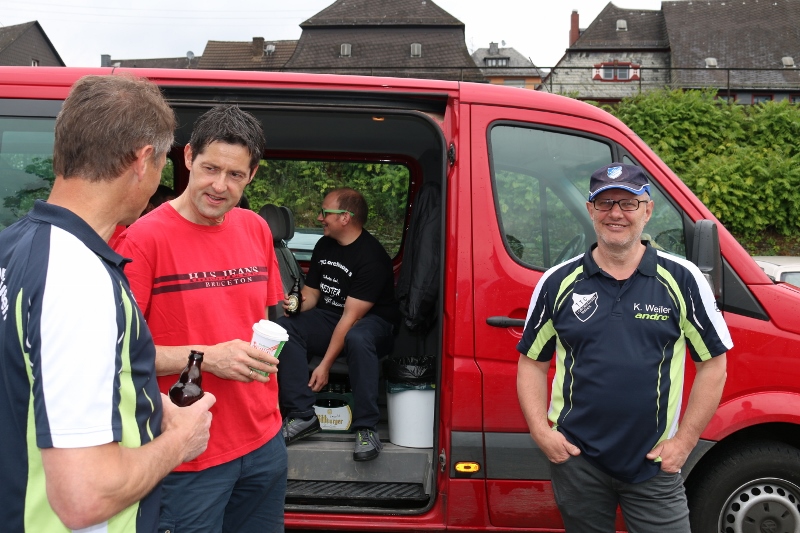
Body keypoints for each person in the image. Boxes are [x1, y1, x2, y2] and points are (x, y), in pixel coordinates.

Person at [0, 75, 214, 532]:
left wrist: (146, 403)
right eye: (162, 165)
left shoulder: (14, 244)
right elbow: (85, 495)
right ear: (142, 161)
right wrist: (180, 440)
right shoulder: (77, 278)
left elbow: (29, 382)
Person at [516, 163, 732, 532]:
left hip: (655, 463)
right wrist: (541, 432)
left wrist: (684, 442)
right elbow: (532, 363)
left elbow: (714, 365)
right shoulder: (557, 282)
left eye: (629, 203)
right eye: (605, 203)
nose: (616, 213)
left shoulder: (683, 279)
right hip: (577, 462)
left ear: (647, 211)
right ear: (591, 210)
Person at [114, 104, 286, 532]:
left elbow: (260, 320)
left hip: (264, 440)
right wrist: (207, 358)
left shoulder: (255, 229)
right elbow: (118, 355)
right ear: (188, 157)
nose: (219, 186)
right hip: (188, 451)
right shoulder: (142, 240)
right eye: (210, 168)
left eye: (235, 174)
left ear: (252, 175)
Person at [277, 188, 399, 461]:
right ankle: (302, 415)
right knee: (286, 328)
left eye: (325, 213)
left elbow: (351, 318)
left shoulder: (372, 257)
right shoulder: (325, 245)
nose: (320, 218)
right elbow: (313, 293)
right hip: (333, 316)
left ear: (345, 217)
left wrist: (325, 365)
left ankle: (366, 428)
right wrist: (296, 304)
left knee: (358, 337)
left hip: (373, 323)